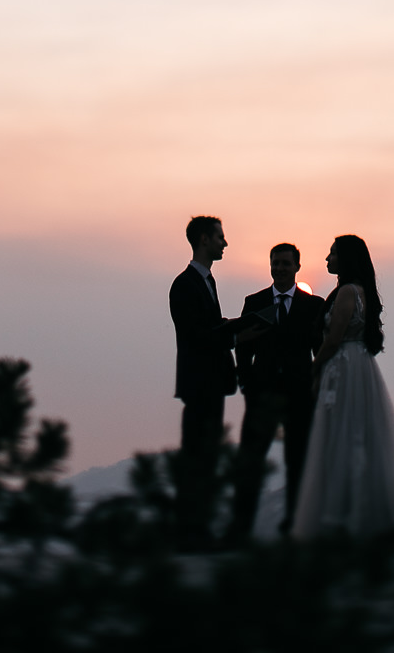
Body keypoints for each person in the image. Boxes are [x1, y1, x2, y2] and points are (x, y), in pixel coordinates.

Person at [290, 234, 394, 539]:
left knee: (343, 434)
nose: (327, 259)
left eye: (332, 254)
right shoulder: (359, 291)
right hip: (358, 364)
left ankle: (345, 514)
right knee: (356, 434)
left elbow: (334, 338)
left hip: (344, 365)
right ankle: (357, 509)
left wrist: (314, 368)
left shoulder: (348, 292)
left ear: (346, 259)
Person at [228, 242, 328, 541]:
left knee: (299, 461)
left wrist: (317, 386)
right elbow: (244, 349)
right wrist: (245, 383)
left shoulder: (313, 305)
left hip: (300, 395)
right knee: (250, 461)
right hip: (262, 394)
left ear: (298, 267)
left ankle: (295, 527)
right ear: (270, 265)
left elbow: (319, 349)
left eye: (286, 263)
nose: (280, 268)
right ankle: (240, 528)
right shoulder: (254, 302)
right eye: (276, 263)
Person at [169, 214, 238, 549]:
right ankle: (189, 532)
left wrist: (234, 330)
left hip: (212, 383)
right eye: (220, 237)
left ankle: (200, 530)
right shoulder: (185, 284)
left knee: (207, 458)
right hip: (200, 385)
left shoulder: (207, 282)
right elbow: (194, 335)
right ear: (204, 239)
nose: (225, 242)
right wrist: (231, 333)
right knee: (196, 457)